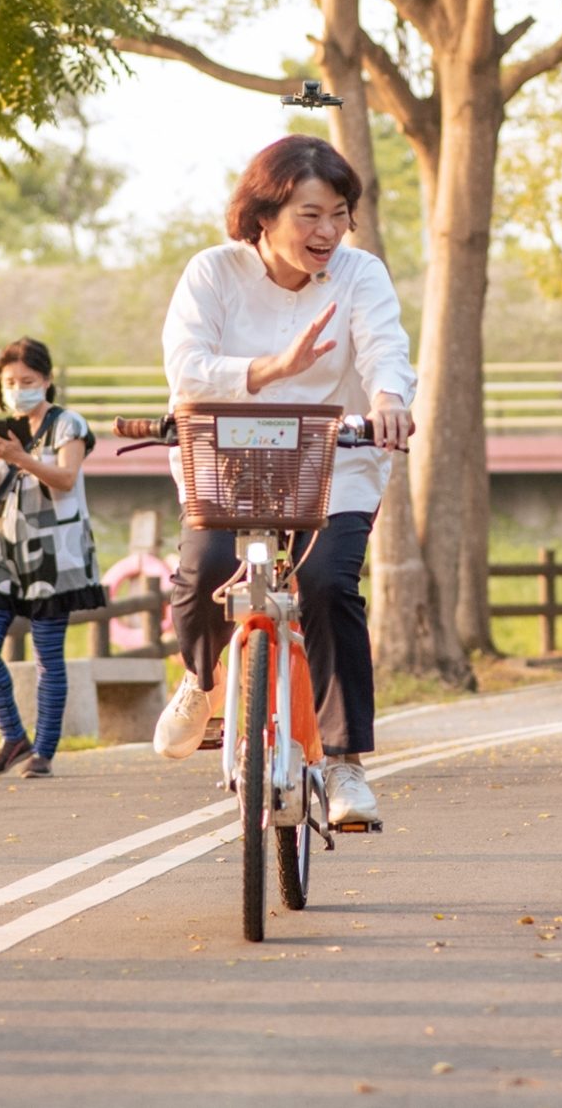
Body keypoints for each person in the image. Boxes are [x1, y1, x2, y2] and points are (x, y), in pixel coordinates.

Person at [152, 135, 415, 829]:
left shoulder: (361, 275)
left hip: (332, 461)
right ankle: (204, 682)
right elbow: (188, 370)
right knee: (205, 572)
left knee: (329, 583)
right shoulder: (212, 273)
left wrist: (388, 400)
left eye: (338, 213)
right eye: (308, 214)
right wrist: (272, 367)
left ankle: (346, 761)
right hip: (228, 460)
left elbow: (387, 347)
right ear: (263, 215)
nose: (327, 231)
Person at [0, 337, 105, 778]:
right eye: (9, 381)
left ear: (46, 381)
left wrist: (20, 457)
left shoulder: (68, 425)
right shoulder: (0, 430)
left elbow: (64, 478)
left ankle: (43, 751)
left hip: (53, 558)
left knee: (48, 654)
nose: (18, 388)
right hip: (4, 555)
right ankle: (13, 736)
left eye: (27, 380)